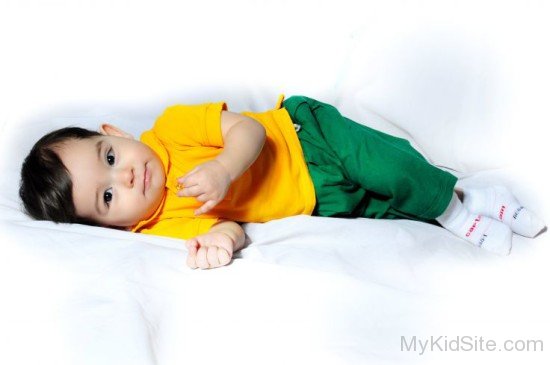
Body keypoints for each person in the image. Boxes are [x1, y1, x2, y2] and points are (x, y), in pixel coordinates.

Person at [19, 95, 546, 269]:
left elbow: (247, 129)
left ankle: (454, 211)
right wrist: (217, 243)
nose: (127, 174)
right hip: (318, 199)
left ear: (114, 133)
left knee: (386, 167)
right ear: (107, 226)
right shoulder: (157, 228)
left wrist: (225, 167)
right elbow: (232, 229)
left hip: (306, 138)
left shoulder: (171, 132)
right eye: (108, 195)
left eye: (109, 156)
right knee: (391, 203)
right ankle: (475, 197)